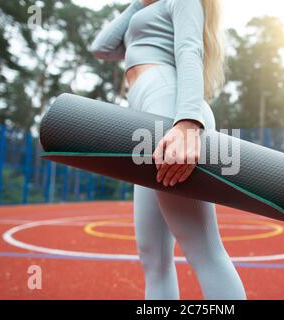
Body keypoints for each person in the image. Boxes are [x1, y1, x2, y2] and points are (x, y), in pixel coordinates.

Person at [89, 0, 246, 300]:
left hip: (170, 112)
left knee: (204, 250)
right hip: (149, 120)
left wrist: (187, 125)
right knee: (153, 257)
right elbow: (101, 48)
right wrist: (138, 3)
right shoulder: (145, 8)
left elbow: (190, 51)